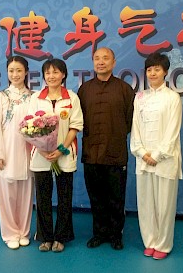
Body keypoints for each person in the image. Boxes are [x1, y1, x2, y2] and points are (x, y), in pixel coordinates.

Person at [77, 47, 134, 250]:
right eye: (97, 58)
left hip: (115, 152)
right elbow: (78, 119)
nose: (101, 62)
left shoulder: (125, 89)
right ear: (93, 62)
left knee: (116, 197)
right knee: (96, 197)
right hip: (91, 153)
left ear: (114, 62)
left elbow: (130, 121)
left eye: (105, 58)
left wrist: (115, 136)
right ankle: (99, 233)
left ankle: (116, 234)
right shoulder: (84, 90)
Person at [130, 52, 182, 260]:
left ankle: (163, 244)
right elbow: (135, 128)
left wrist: (158, 154)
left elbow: (172, 131)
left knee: (164, 204)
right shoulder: (140, 97)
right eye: (149, 69)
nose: (152, 73)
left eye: (157, 69)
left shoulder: (173, 98)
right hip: (143, 159)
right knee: (146, 203)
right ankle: (150, 240)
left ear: (166, 72)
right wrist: (141, 152)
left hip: (165, 160)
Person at [28, 58, 83, 253]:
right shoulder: (36, 98)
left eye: (56, 72)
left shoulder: (72, 98)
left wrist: (61, 149)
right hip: (41, 154)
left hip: (64, 153)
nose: (51, 76)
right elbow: (29, 126)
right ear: (44, 76)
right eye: (48, 73)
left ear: (63, 75)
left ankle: (61, 236)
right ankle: (45, 237)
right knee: (42, 197)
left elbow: (76, 125)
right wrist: (42, 148)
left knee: (64, 196)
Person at [0, 56, 34, 250]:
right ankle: (10, 233)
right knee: (7, 195)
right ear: (7, 73)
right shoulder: (1, 97)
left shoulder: (33, 96)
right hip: (7, 150)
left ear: (26, 72)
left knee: (26, 194)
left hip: (27, 150)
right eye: (11, 70)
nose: (15, 74)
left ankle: (23, 231)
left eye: (19, 70)